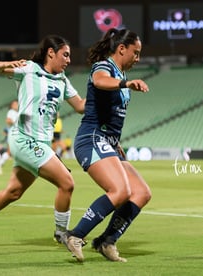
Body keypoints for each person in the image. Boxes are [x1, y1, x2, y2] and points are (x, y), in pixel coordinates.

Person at [0, 34, 85, 249]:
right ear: (50, 53)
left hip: (40, 144)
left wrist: (104, 90)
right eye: (65, 55)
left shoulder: (63, 80)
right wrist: (8, 63)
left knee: (13, 192)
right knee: (67, 182)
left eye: (69, 56)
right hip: (24, 138)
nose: (68, 60)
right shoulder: (29, 69)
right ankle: (61, 233)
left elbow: (81, 106)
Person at [64, 28, 152, 262]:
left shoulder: (119, 73)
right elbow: (99, 81)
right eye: (136, 52)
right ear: (122, 49)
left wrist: (117, 144)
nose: (137, 58)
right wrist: (126, 84)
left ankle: (106, 241)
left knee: (142, 193)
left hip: (109, 142)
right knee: (120, 191)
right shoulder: (104, 67)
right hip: (91, 138)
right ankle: (75, 235)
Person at [0, 100, 19, 175]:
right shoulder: (11, 112)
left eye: (16, 104)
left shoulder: (17, 112)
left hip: (16, 133)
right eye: (14, 104)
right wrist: (15, 123)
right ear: (11, 106)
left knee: (12, 151)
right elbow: (8, 120)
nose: (16, 105)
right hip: (13, 133)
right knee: (10, 151)